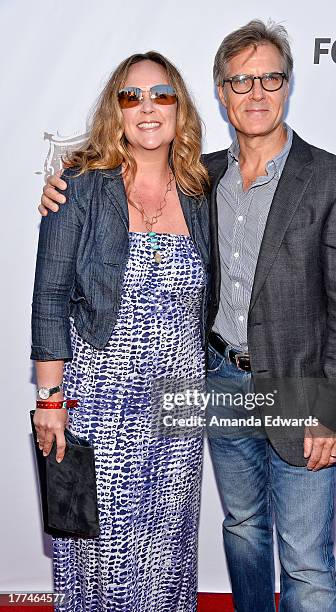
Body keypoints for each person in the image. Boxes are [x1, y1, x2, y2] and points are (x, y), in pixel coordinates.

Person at [40, 19, 336, 612]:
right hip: (206, 388)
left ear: (288, 85)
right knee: (240, 530)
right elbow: (60, 285)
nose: (256, 93)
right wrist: (60, 186)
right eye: (240, 81)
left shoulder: (334, 181)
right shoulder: (202, 178)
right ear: (221, 94)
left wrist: (334, 411)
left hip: (291, 392)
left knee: (305, 560)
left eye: (270, 78)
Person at [32, 51, 210, 612]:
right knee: (101, 553)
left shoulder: (204, 189)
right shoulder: (80, 187)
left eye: (162, 94)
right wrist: (49, 399)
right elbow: (50, 299)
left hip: (179, 404)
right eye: (131, 96)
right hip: (101, 402)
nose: (148, 108)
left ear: (180, 109)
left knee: (166, 550)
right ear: (117, 110)